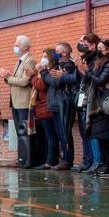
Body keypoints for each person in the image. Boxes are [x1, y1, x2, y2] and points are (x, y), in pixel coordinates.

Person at [85, 39, 109, 178]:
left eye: (101, 48)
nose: (99, 51)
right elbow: (92, 79)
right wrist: (86, 72)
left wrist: (87, 72)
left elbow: (100, 80)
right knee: (101, 136)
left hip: (106, 103)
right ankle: (105, 164)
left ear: (108, 49)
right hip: (98, 103)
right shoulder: (97, 62)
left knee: (107, 137)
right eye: (98, 48)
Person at [0, 35, 35, 168]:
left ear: (25, 47)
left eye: (17, 44)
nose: (15, 47)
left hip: (23, 102)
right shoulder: (18, 61)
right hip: (15, 101)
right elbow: (15, 80)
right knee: (19, 132)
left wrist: (8, 77)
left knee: (25, 132)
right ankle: (21, 158)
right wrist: (6, 77)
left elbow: (24, 81)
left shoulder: (29, 61)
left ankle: (27, 159)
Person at [48, 43, 80, 171]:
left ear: (64, 53)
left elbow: (56, 82)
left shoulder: (69, 66)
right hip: (57, 103)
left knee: (64, 132)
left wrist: (45, 73)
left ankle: (67, 159)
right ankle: (64, 159)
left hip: (65, 103)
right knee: (60, 133)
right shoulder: (57, 66)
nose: (55, 53)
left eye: (57, 51)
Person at [74, 34, 102, 172]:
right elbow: (80, 78)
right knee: (83, 131)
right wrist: (78, 70)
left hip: (91, 98)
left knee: (89, 130)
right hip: (82, 96)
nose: (81, 44)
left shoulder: (96, 59)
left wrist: (85, 71)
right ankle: (87, 160)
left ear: (92, 45)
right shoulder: (85, 59)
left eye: (84, 42)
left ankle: (93, 161)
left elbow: (94, 78)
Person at [31, 50, 62, 170]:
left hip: (47, 107)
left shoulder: (48, 71)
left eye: (45, 56)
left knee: (51, 136)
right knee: (48, 136)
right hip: (42, 107)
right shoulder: (44, 72)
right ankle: (48, 159)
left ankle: (50, 161)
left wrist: (33, 77)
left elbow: (41, 85)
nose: (42, 58)